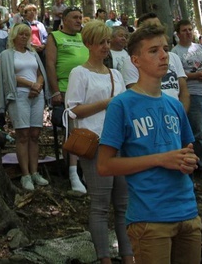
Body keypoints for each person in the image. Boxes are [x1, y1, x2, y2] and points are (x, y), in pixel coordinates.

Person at [98, 24, 201, 263]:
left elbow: (188, 150)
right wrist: (160, 159)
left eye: (165, 49)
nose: (164, 55)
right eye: (153, 51)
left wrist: (189, 161)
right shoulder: (122, 105)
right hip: (150, 218)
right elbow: (104, 166)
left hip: (188, 213)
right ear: (136, 60)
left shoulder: (174, 104)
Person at [64, 21, 133, 264]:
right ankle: (104, 258)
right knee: (101, 206)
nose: (106, 46)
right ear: (88, 44)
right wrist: (107, 103)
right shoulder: (79, 73)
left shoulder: (116, 74)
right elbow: (73, 110)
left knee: (124, 206)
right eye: (100, 42)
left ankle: (128, 257)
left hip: (120, 145)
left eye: (107, 41)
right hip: (95, 146)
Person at [0, 23, 50, 190]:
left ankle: (35, 172)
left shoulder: (32, 53)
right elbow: (9, 76)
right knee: (23, 134)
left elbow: (40, 73)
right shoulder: (6, 55)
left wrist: (38, 85)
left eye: (27, 34)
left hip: (37, 95)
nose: (25, 37)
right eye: (21, 34)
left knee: (35, 133)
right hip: (18, 94)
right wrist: (30, 84)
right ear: (14, 36)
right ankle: (25, 175)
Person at [46, 5, 89, 193]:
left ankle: (87, 170)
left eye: (80, 17)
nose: (79, 20)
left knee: (89, 129)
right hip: (66, 90)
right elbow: (50, 64)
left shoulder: (84, 38)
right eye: (74, 17)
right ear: (63, 20)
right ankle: (73, 172)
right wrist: (55, 91)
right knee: (73, 130)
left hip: (89, 90)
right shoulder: (55, 37)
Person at [172, 19, 202, 183]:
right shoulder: (176, 52)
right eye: (184, 30)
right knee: (199, 132)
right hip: (193, 94)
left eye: (190, 30)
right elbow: (179, 76)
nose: (187, 33)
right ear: (178, 34)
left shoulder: (200, 48)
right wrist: (195, 76)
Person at [121, 13, 190, 111]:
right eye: (153, 51)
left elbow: (184, 92)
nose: (164, 56)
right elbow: (136, 96)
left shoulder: (173, 57)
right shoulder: (130, 62)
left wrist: (180, 116)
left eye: (158, 25)